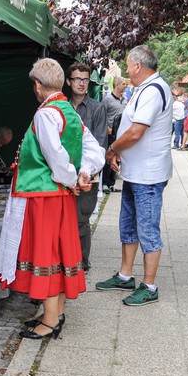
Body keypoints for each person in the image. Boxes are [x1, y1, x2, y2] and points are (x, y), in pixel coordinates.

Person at [0, 58, 105, 339]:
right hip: (62, 197)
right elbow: (94, 149)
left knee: (45, 255)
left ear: (37, 85)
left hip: (44, 197)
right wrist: (84, 174)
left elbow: (56, 159)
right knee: (59, 254)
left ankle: (51, 321)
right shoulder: (69, 111)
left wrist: (71, 177)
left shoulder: (45, 114)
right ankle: (54, 313)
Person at [97, 45, 173, 306]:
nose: (127, 69)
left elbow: (136, 132)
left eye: (128, 65)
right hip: (136, 172)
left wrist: (112, 149)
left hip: (148, 175)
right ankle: (125, 275)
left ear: (139, 66)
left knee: (148, 230)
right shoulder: (144, 88)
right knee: (128, 227)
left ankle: (149, 286)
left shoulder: (153, 90)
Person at [67, 62, 108, 274]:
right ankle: (66, 262)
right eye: (77, 79)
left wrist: (86, 171)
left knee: (81, 221)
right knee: (64, 222)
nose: (82, 84)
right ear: (68, 81)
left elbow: (100, 145)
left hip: (88, 176)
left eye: (85, 80)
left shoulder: (98, 108)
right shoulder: (61, 107)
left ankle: (82, 263)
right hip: (62, 176)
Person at [101, 76, 127, 192]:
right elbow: (101, 114)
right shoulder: (107, 99)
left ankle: (112, 182)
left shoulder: (124, 99)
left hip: (121, 134)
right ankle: (104, 183)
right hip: (111, 133)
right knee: (109, 157)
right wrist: (107, 128)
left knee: (117, 158)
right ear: (117, 85)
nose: (125, 86)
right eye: (123, 84)